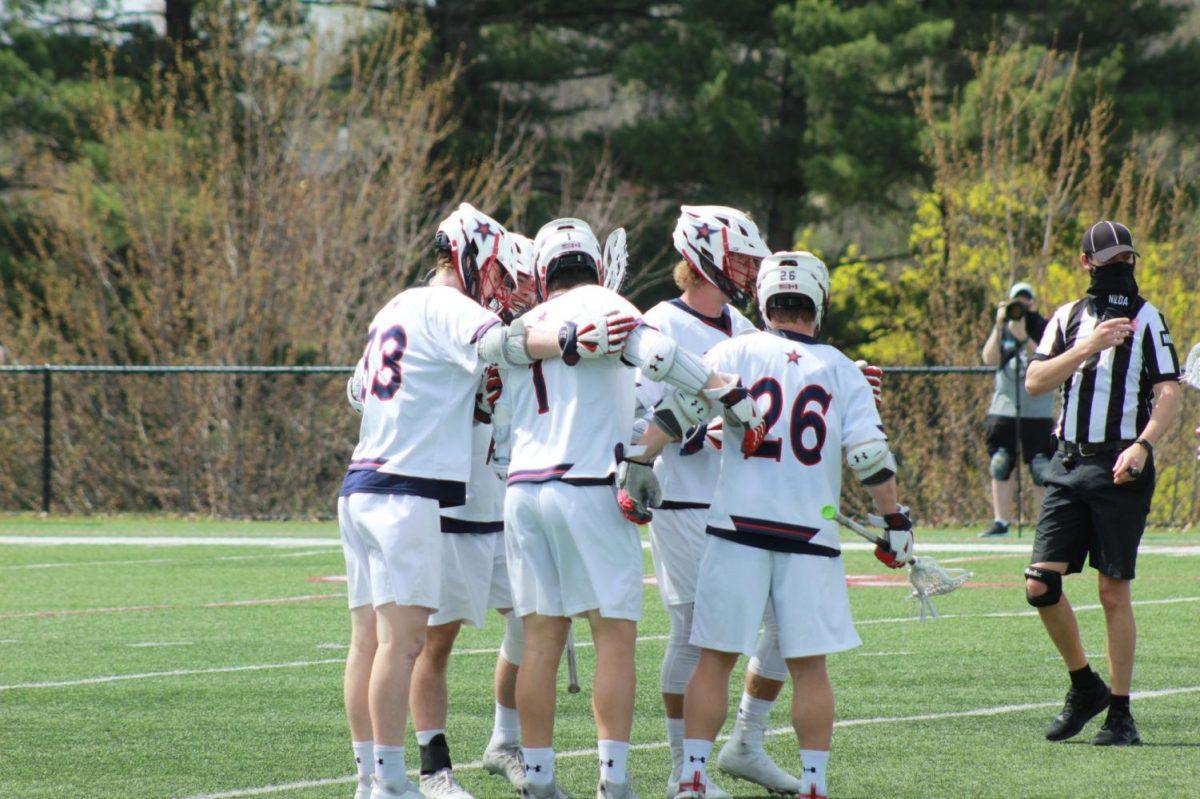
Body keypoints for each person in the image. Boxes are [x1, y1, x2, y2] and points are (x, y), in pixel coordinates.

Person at [339, 204, 601, 799]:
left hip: (365, 482)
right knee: (404, 645)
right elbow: (507, 344)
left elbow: (360, 389)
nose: (500, 286)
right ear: (472, 258)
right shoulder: (452, 307)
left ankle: (369, 775)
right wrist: (564, 335)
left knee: (372, 643)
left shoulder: (396, 306)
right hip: (408, 488)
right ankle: (391, 780)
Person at [502, 218, 761, 799]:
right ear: (595, 262)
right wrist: (727, 391)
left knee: (541, 640)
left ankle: (540, 778)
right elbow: (665, 357)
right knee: (613, 637)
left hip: (522, 488)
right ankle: (614, 780)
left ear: (544, 270)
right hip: (588, 482)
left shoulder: (521, 325)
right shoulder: (609, 304)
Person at [634, 205, 805, 798]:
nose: (747, 271)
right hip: (683, 498)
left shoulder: (742, 325)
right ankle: (686, 769)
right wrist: (691, 432)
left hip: (745, 500)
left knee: (789, 623)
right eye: (737, 259)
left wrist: (842, 377)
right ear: (700, 257)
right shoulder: (658, 325)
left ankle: (745, 744)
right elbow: (637, 420)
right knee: (693, 634)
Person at [1024, 220, 1182, 747]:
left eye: (1127, 258)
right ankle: (1083, 685)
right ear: (1086, 262)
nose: (1120, 267)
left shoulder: (1149, 317)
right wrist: (1087, 347)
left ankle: (1119, 710)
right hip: (1069, 464)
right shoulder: (1067, 318)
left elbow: (1169, 393)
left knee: (1113, 591)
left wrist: (1143, 444)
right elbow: (1036, 381)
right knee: (1040, 584)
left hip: (1121, 465)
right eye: (1110, 258)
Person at [405, 232, 540, 799]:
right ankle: (433, 766)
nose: (508, 288)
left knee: (535, 627)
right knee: (435, 642)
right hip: (454, 504)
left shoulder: (493, 322)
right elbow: (362, 390)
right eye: (502, 275)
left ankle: (503, 742)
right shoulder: (434, 316)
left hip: (506, 503)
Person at [979, 282, 1055, 537]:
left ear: (1033, 302)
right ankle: (1001, 522)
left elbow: (1046, 357)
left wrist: (1024, 332)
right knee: (1000, 463)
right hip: (1005, 409)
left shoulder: (1045, 327)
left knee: (1041, 468)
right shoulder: (1003, 329)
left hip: (1038, 410)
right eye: (1017, 302)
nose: (1021, 306)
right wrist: (999, 325)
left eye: (1026, 301)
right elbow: (989, 359)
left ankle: (1043, 522)